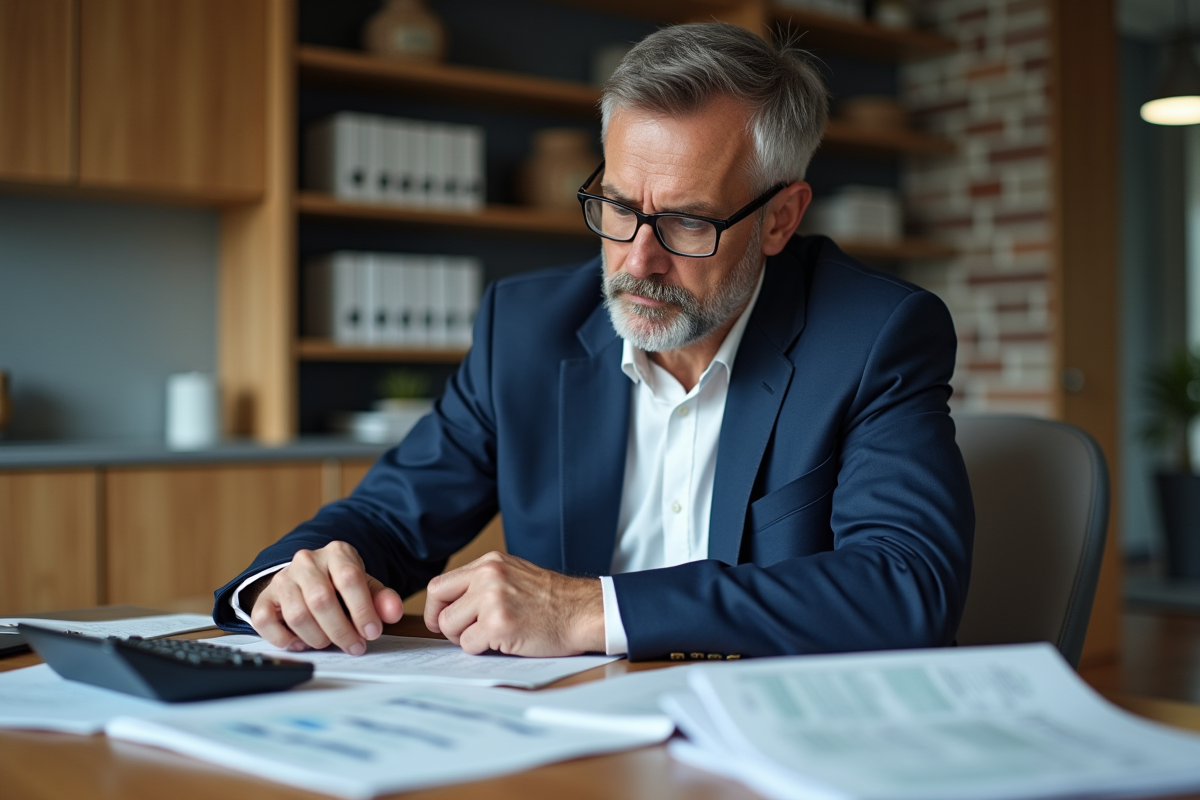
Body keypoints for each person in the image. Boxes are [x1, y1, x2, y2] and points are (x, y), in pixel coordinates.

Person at [213, 22, 974, 662]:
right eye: (616, 206)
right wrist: (296, 579)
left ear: (780, 219)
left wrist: (590, 611)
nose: (637, 261)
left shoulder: (876, 337)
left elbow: (906, 587)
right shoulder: (526, 329)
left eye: (686, 221)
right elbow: (388, 519)